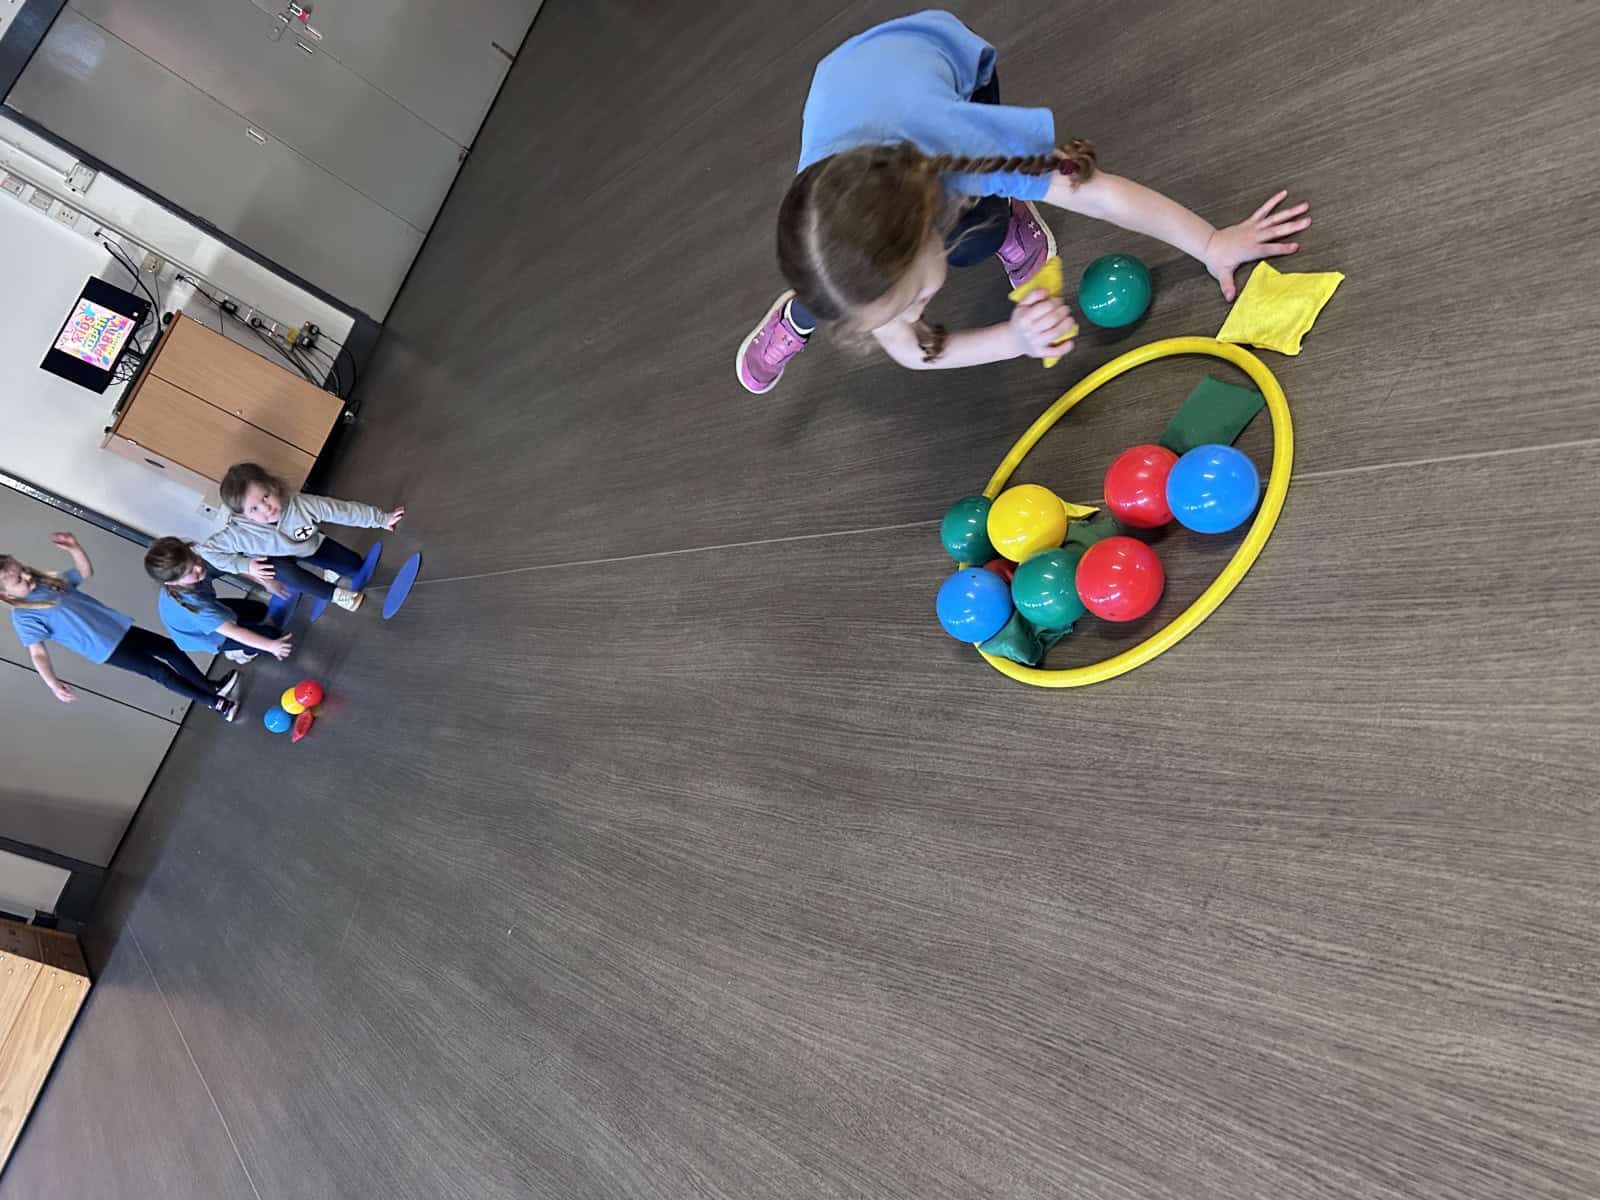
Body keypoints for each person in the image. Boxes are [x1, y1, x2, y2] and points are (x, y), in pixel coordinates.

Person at [736, 10, 1311, 394]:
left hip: (938, 56)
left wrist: (1210, 243)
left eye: (914, 300)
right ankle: (798, 314)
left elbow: (1099, 194)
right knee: (836, 290)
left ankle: (1008, 214)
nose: (913, 317)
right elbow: (911, 351)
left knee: (979, 232)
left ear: (925, 221)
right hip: (849, 101)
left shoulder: (963, 146)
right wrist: (1012, 339)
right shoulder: (828, 227)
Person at [2, 533, 240, 720]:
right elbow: (37, 652)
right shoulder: (24, 617)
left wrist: (75, 548)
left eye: (23, 570)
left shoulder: (48, 584)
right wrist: (52, 683)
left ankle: (211, 687)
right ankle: (216, 703)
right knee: (160, 672)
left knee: (172, 650)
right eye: (18, 580)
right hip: (106, 649)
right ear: (5, 594)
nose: (27, 576)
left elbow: (85, 572)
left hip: (119, 629)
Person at [196, 463, 404, 613]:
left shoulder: (299, 504)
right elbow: (207, 551)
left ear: (273, 486)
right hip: (275, 561)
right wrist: (246, 566)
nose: (266, 508)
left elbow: (341, 510)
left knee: (355, 566)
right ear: (243, 516)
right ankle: (335, 595)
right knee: (281, 570)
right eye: (254, 509)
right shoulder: (239, 534)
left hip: (307, 546)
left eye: (266, 497)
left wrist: (381, 519)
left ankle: (331, 568)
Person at [144, 537, 294, 666]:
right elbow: (235, 632)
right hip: (204, 635)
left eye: (194, 559)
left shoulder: (200, 566)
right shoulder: (195, 608)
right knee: (271, 635)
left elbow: (234, 566)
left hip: (208, 608)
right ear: (173, 582)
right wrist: (271, 646)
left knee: (259, 610)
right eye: (190, 571)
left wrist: (266, 583)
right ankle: (241, 654)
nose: (198, 567)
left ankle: (245, 637)